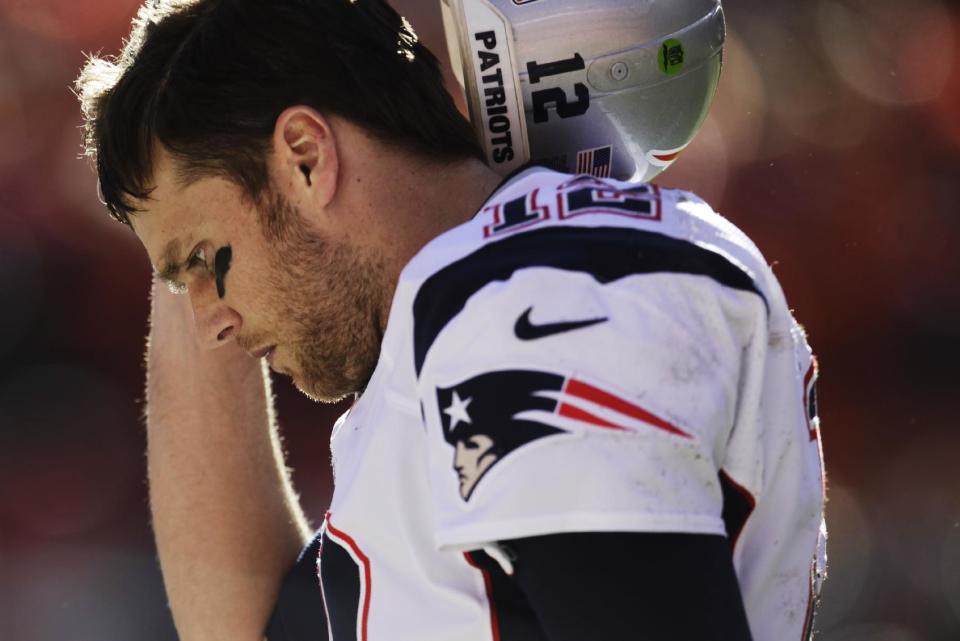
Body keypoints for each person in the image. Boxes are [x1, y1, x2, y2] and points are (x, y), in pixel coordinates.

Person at [75, 0, 826, 640]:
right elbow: (242, 616)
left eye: (206, 260)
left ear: (305, 156)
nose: (210, 324)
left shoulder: (532, 297)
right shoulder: (454, 325)